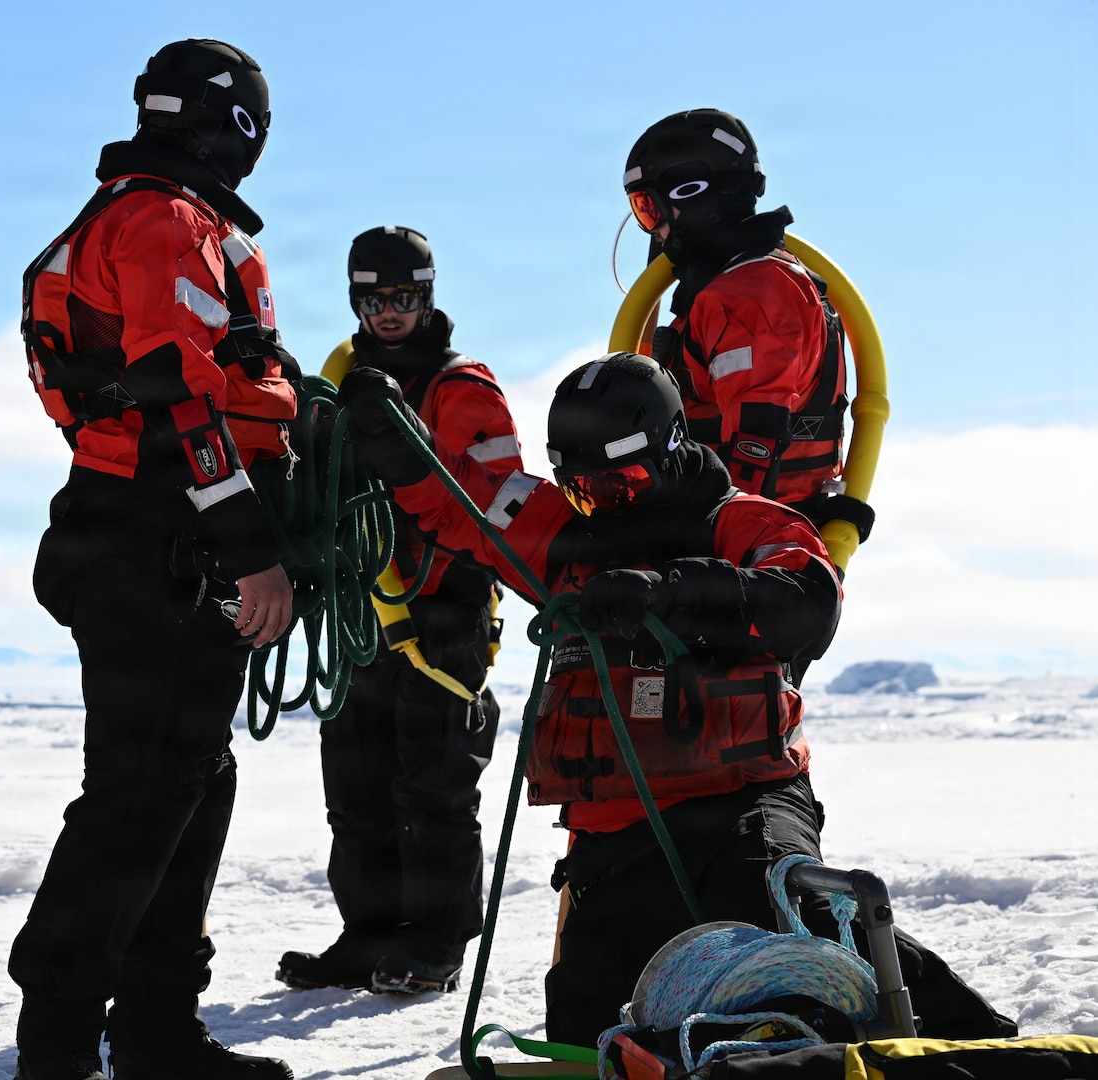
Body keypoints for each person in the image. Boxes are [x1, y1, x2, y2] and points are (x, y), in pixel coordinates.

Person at [337, 353, 1016, 1049]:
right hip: (616, 833)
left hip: (742, 807)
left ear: (668, 448)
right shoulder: (562, 536)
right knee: (584, 1021)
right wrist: (390, 434)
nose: (602, 503)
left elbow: (808, 604)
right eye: (583, 490)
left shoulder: (746, 525)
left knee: (796, 914)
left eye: (622, 482)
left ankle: (977, 1044)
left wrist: (676, 590)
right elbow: (457, 498)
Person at [9, 38, 298, 1080]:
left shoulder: (122, 219)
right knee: (141, 789)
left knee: (190, 780)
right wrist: (253, 548)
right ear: (241, 126)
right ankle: (57, 1041)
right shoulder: (166, 222)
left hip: (140, 525)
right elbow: (177, 400)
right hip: (156, 530)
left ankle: (157, 1029)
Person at [276, 227, 518, 995]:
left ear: (427, 298)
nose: (389, 313)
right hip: (359, 617)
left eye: (404, 299)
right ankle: (368, 934)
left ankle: (435, 941)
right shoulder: (335, 390)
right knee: (357, 785)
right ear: (356, 300)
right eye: (375, 300)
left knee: (433, 785)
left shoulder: (464, 390)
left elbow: (492, 502)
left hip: (442, 612)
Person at [623, 109, 873, 546]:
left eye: (649, 208)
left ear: (692, 193)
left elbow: (753, 446)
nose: (654, 230)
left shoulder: (749, 297)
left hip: (744, 562)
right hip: (750, 539)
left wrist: (716, 558)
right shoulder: (746, 284)